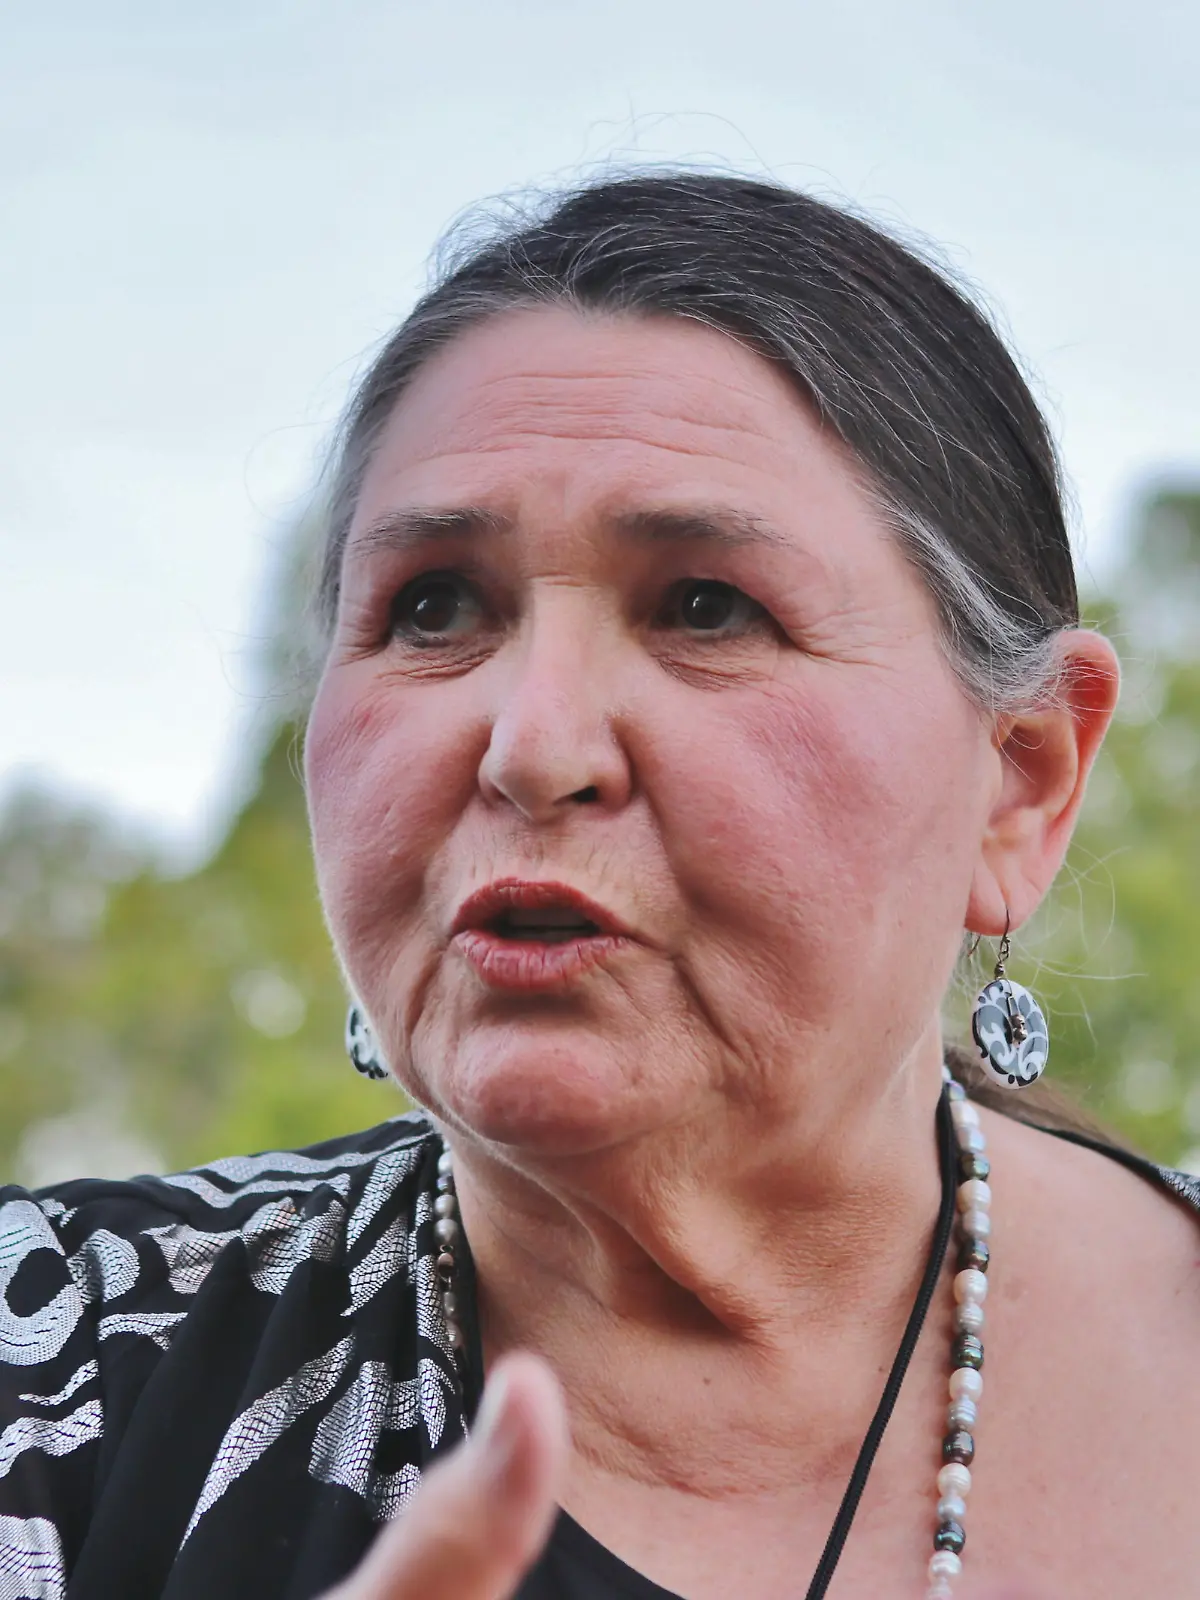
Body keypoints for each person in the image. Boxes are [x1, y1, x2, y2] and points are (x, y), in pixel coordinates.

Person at [2, 172, 1197, 1600]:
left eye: (706, 607)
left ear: (1023, 779)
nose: (533, 746)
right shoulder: (52, 1367)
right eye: (434, 605)